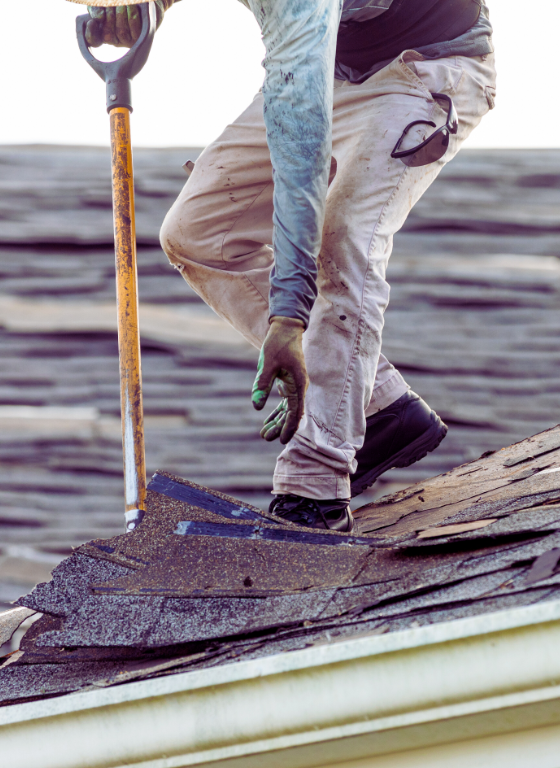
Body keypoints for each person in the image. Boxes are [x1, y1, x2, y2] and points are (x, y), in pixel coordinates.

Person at [78, 0, 495, 531]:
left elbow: (303, 165)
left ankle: (314, 490)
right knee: (197, 231)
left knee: (341, 239)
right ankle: (382, 408)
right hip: (332, 64)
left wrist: (288, 315)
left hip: (426, 69)